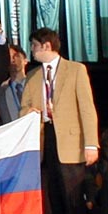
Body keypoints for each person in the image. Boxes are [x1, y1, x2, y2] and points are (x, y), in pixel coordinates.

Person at [19, 27, 99, 214]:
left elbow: (87, 109)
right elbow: (23, 110)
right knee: (52, 197)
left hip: (72, 144)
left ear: (47, 46)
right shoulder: (31, 77)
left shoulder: (76, 70)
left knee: (73, 198)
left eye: (34, 45)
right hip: (45, 141)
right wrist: (29, 113)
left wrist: (91, 145)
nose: (31, 49)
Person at [0, 44, 28, 124]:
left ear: (25, 60)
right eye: (9, 57)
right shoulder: (0, 92)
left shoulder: (36, 85)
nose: (12, 60)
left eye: (16, 56)